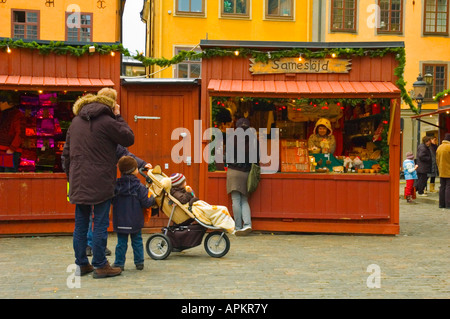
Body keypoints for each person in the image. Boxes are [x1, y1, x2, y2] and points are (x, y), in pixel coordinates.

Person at [62, 88, 134, 279]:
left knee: (80, 224)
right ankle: (101, 265)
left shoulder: (76, 121)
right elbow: (128, 138)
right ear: (111, 104)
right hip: (101, 180)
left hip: (78, 180)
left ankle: (82, 264)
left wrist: (71, 177)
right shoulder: (108, 121)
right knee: (100, 223)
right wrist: (118, 116)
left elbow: (66, 154)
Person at [85, 144, 153, 257]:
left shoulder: (118, 185)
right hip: (99, 180)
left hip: (90, 179)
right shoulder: (137, 186)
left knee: (93, 215)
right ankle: (94, 246)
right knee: (98, 216)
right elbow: (124, 153)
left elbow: (123, 154)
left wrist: (142, 164)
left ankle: (94, 246)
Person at [112, 156, 155, 270]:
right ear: (134, 170)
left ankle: (119, 263)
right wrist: (153, 199)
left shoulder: (116, 185)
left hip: (120, 219)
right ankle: (139, 262)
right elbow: (146, 202)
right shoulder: (139, 186)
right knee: (137, 241)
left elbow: (111, 200)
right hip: (135, 219)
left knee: (121, 243)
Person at [226, 118, 258, 236]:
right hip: (246, 172)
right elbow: (257, 158)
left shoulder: (231, 139)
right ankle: (248, 224)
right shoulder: (253, 140)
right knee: (244, 200)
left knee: (236, 200)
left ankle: (238, 226)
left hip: (233, 171)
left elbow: (226, 156)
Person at [0, 94, 25, 172]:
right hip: (3, 149)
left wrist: (12, 148)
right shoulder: (2, 113)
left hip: (10, 151)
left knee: (9, 176)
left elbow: (20, 133)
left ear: (5, 103)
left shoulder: (17, 115)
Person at [436, 133, 450, 209]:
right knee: (448, 187)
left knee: (442, 187)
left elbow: (437, 159)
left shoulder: (439, 147)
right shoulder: (449, 147)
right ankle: (448, 204)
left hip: (441, 170)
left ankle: (441, 204)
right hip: (449, 170)